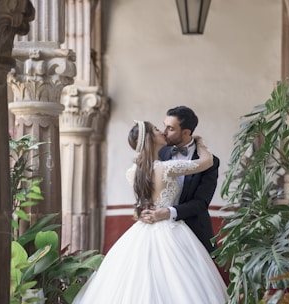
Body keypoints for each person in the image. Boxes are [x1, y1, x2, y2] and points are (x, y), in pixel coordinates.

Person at [72, 120, 228, 304]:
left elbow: (141, 205)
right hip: (171, 231)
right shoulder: (166, 168)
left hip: (142, 230)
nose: (161, 131)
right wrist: (199, 142)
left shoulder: (132, 172)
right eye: (155, 129)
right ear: (150, 139)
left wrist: (140, 214)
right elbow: (207, 161)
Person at [140, 106, 219, 253]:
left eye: (170, 128)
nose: (164, 132)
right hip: (158, 233)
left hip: (194, 233)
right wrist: (142, 212)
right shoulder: (159, 152)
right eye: (164, 126)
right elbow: (145, 189)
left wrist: (168, 212)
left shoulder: (209, 161)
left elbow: (201, 203)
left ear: (186, 132)